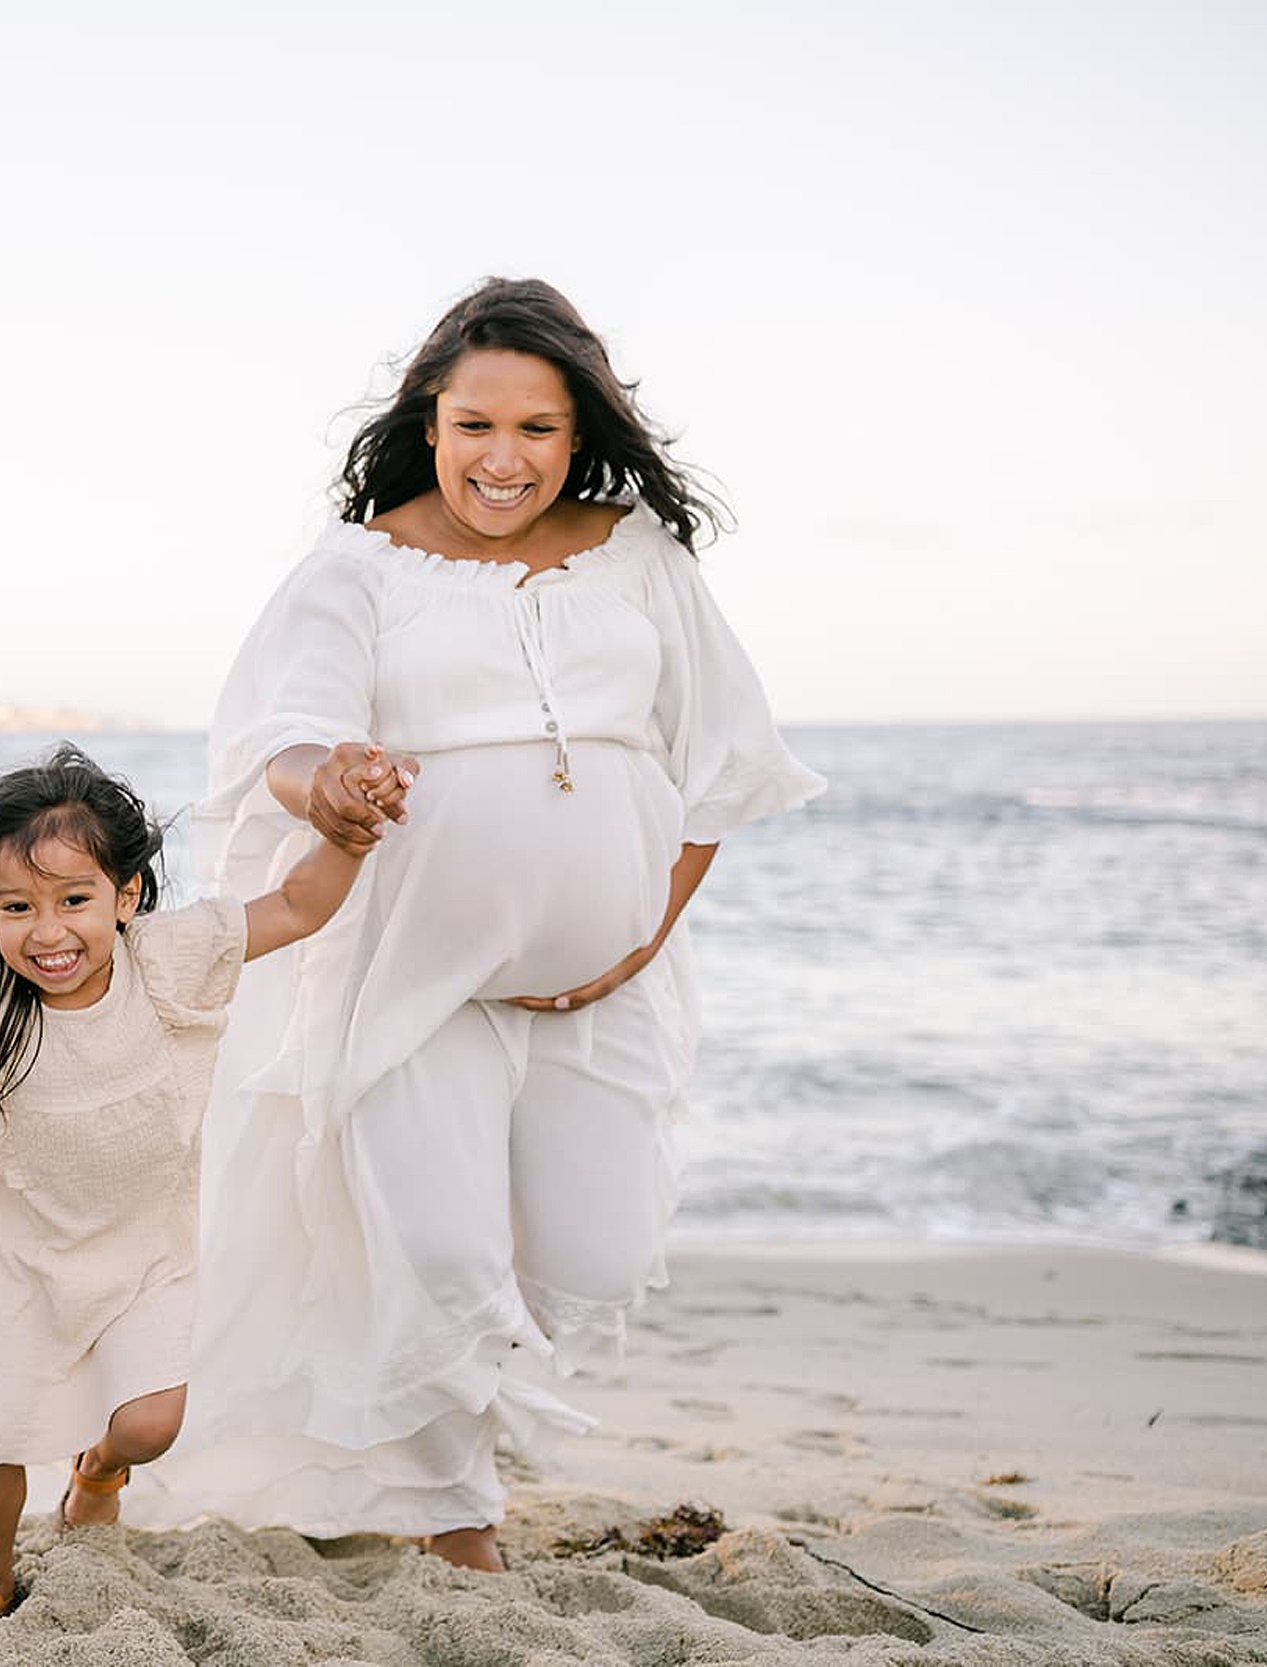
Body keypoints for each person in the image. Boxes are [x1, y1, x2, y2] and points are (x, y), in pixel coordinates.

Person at [129, 279, 824, 1570]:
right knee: (443, 1252)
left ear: (580, 434)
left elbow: (722, 764)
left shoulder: (640, 561)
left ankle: (417, 1438)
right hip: (407, 972)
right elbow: (283, 733)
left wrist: (639, 939)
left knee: (593, 1253)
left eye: (538, 429)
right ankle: (457, 1516)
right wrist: (325, 782)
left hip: (603, 988)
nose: (502, 458)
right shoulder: (358, 566)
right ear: (428, 422)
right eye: (473, 424)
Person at [0, 742, 395, 1619]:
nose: (49, 930)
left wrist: (350, 842)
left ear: (126, 896)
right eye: (17, 905)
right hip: (18, 1253)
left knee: (150, 1423)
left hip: (144, 1247)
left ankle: (96, 1469)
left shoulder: (168, 957)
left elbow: (296, 905)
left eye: (75, 899)